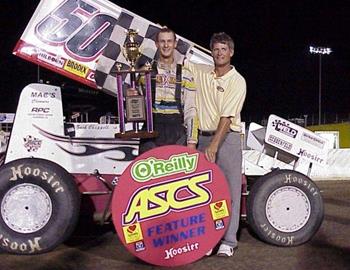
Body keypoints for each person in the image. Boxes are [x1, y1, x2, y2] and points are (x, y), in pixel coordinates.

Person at [185, 32, 246, 257]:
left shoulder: (237, 80)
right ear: (211, 52)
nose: (219, 53)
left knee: (229, 192)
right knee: (206, 193)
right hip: (202, 137)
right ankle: (210, 238)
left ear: (231, 52)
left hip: (227, 139)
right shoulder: (202, 72)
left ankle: (229, 240)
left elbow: (226, 117)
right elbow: (178, 59)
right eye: (216, 49)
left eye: (223, 49)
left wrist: (213, 146)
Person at [128, 27, 198, 152]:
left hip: (177, 134)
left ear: (175, 44)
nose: (166, 45)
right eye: (162, 41)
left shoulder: (186, 75)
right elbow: (137, 108)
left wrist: (192, 141)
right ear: (156, 44)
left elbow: (191, 110)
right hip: (151, 133)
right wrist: (131, 98)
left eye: (169, 41)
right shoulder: (145, 73)